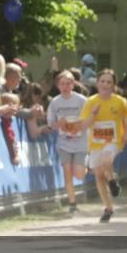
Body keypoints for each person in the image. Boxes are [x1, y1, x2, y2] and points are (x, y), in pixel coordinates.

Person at [79, 69, 127, 223]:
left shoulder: (120, 101)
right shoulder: (90, 102)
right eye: (102, 81)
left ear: (114, 86)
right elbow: (83, 125)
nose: (105, 84)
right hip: (95, 142)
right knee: (99, 176)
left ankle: (112, 181)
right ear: (97, 84)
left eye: (109, 82)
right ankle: (108, 208)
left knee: (105, 161)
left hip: (113, 141)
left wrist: (126, 133)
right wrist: (93, 115)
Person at [43, 70, 87, 214]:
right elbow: (51, 125)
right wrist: (58, 124)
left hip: (80, 142)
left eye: (68, 83)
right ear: (58, 85)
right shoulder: (55, 102)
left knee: (79, 174)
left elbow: (90, 120)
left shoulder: (82, 100)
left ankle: (88, 166)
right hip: (64, 143)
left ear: (73, 84)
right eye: (62, 84)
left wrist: (79, 125)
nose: (65, 86)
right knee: (67, 172)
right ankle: (72, 204)